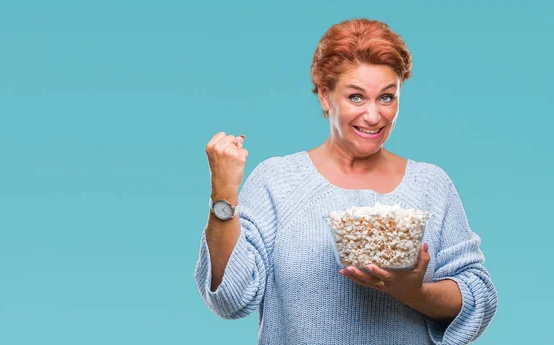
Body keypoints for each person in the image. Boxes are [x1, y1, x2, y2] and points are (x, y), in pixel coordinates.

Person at [194, 18, 498, 345]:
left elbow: (478, 294)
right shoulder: (278, 182)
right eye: (356, 97)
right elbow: (230, 300)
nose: (373, 115)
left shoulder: (430, 185)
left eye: (386, 97)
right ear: (325, 96)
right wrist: (223, 193)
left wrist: (415, 292)